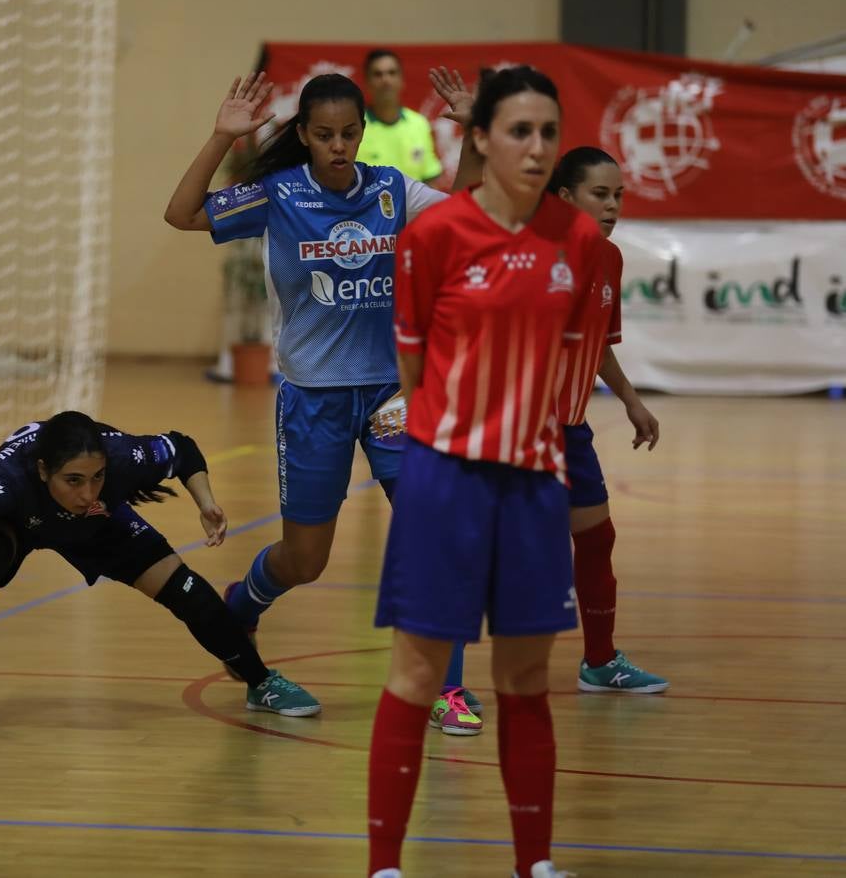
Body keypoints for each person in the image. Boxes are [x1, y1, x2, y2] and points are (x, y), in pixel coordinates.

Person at [163, 70, 489, 735]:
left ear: (363, 133)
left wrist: (473, 135)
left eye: (348, 134)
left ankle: (447, 688)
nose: (338, 147)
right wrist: (221, 136)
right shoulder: (277, 194)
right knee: (304, 560)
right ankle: (245, 600)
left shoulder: (393, 190)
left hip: (394, 393)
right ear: (305, 136)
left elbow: (468, 208)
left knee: (437, 538)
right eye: (324, 135)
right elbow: (182, 213)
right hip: (314, 398)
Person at [366, 66, 603, 878]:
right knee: (418, 673)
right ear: (477, 139)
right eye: (519, 132)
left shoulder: (579, 241)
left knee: (527, 677)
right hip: (445, 484)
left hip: (536, 487)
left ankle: (533, 863)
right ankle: (385, 867)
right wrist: (460, 435)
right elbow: (412, 364)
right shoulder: (434, 237)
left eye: (548, 133)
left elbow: (565, 362)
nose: (537, 149)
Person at [0, 411, 321, 740]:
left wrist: (207, 503)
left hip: (96, 526)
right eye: (73, 480)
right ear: (43, 470)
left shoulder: (121, 456)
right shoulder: (6, 478)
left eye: (97, 478)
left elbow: (182, 447)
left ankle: (261, 682)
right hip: (16, 523)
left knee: (189, 592)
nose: (88, 491)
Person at [548, 146, 667, 694]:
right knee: (489, 550)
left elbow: (598, 346)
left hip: (570, 429)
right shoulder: (533, 256)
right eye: (600, 194)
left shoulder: (610, 259)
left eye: (619, 195)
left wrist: (631, 400)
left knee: (597, 539)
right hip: (519, 431)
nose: (613, 205)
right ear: (565, 198)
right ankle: (442, 679)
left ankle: (600, 661)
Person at [357, 50, 442, 184]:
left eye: (392, 73)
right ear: (367, 82)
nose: (385, 80)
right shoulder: (355, 126)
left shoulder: (419, 124)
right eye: (378, 74)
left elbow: (430, 179)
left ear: (402, 80)